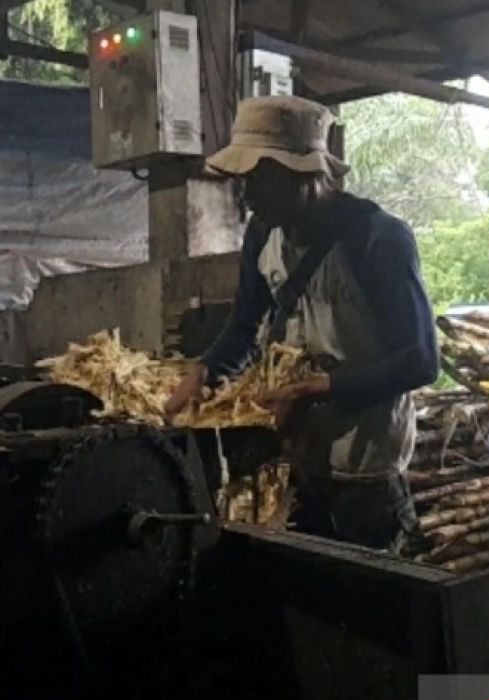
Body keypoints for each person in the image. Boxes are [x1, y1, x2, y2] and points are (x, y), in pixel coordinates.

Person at [165, 96, 438, 551]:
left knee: (370, 601)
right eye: (243, 180)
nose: (247, 197)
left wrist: (317, 390)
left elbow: (421, 361)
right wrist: (205, 371)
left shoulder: (378, 239)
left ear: (306, 174)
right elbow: (244, 327)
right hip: (298, 461)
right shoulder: (262, 234)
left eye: (261, 179)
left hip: (365, 470)